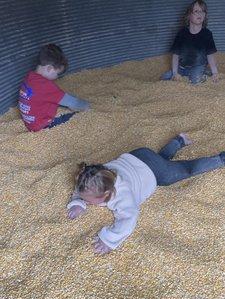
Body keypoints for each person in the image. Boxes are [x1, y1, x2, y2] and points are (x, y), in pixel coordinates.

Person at [67, 133, 225, 254]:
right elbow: (82, 188)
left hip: (155, 171)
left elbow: (129, 217)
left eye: (88, 200)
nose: (85, 200)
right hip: (140, 154)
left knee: (185, 169)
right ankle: (178, 140)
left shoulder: (122, 194)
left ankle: (220, 159)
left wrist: (109, 240)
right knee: (159, 159)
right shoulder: (97, 174)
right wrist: (77, 202)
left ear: (107, 194)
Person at [19, 43, 90, 132]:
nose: (57, 77)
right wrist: (87, 106)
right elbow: (74, 103)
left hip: (30, 122)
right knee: (78, 115)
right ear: (49, 69)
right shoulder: (45, 86)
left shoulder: (29, 77)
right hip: (42, 125)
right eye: (57, 73)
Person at [161, 0, 218, 84]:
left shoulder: (207, 34)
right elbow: (175, 55)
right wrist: (175, 73)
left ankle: (205, 72)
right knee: (165, 77)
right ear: (189, 15)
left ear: (205, 15)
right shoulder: (181, 33)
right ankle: (194, 74)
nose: (200, 14)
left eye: (203, 11)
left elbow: (210, 55)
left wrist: (215, 72)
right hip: (182, 68)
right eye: (196, 11)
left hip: (198, 66)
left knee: (195, 81)